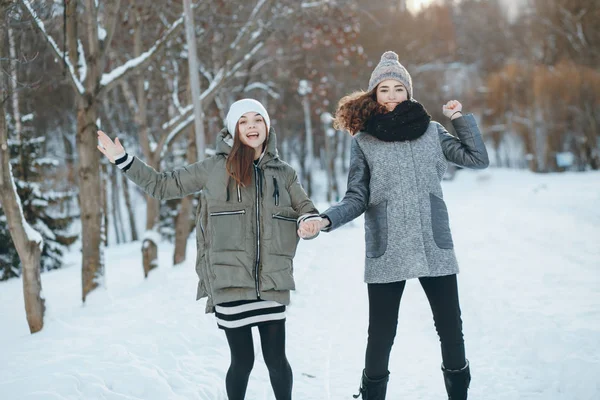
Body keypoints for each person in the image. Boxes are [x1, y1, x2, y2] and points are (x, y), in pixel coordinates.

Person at [97, 99, 322, 400]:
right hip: (229, 281)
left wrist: (309, 222)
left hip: (272, 281)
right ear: (233, 128)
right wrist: (123, 159)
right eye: (244, 121)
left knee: (276, 361)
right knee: (243, 361)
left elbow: (305, 208)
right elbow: (164, 186)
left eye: (258, 120)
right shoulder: (215, 168)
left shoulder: (284, 173)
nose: (252, 126)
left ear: (267, 127)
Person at [300, 51, 489, 400]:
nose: (391, 96)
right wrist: (326, 219)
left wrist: (459, 119)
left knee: (451, 329)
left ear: (408, 92)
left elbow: (477, 159)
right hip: (387, 245)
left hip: (434, 241)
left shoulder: (432, 132)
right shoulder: (364, 141)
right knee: (382, 332)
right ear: (374, 94)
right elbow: (356, 197)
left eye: (397, 88)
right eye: (384, 89)